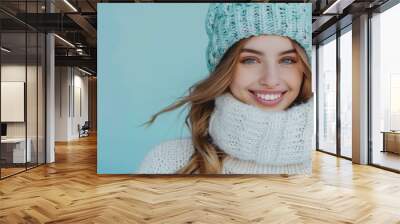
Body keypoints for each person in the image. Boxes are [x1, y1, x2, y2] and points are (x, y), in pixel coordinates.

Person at [138, 3, 313, 174]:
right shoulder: (166, 160)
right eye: (250, 60)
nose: (271, 80)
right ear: (224, 70)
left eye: (287, 60)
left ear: (304, 69)